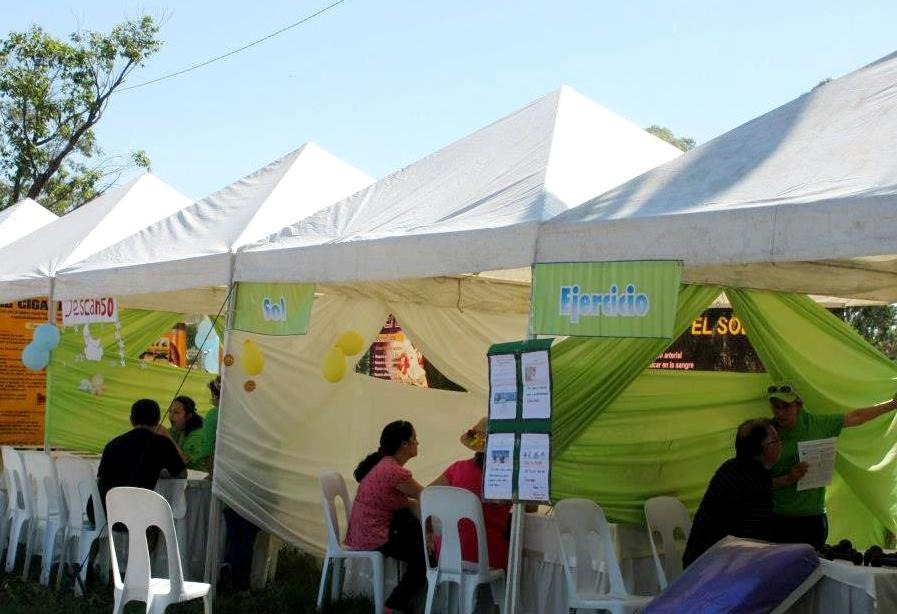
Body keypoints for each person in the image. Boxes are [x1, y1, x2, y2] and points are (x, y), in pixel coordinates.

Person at [768, 381, 897, 549]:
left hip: (812, 519)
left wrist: (893, 404)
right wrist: (788, 478)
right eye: (775, 406)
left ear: (798, 406)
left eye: (786, 406)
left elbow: (857, 417)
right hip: (778, 518)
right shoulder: (766, 432)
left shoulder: (816, 425)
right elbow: (756, 482)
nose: (780, 413)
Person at [345, 420, 425, 613]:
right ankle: (394, 606)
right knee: (425, 558)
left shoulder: (384, 465)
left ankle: (402, 603)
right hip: (373, 536)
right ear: (404, 444)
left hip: (363, 531)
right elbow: (426, 496)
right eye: (415, 439)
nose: (418, 443)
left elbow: (408, 503)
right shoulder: (393, 472)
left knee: (418, 535)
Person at [682, 418, 781, 567]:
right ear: (764, 449)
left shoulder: (731, 467)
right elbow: (758, 541)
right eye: (776, 441)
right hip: (711, 569)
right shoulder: (755, 481)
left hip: (698, 559)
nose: (780, 445)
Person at [430, 417, 512, 569]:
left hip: (447, 550)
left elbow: (427, 495)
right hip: (488, 553)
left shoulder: (457, 468)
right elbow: (530, 507)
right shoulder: (507, 475)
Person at [97, 398, 186, 509]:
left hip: (102, 509)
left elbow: (101, 478)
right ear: (158, 420)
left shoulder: (113, 444)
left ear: (131, 420)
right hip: (136, 512)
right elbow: (182, 473)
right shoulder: (162, 443)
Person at [169, 395, 205, 470]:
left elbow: (183, 461)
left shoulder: (198, 435)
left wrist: (167, 436)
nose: (171, 416)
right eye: (170, 411)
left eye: (176, 412)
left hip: (198, 477)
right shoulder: (176, 429)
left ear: (188, 416)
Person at [198, 376, 221, 473]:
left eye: (212, 396)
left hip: (219, 471)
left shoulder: (213, 415)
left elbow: (207, 448)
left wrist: (212, 474)